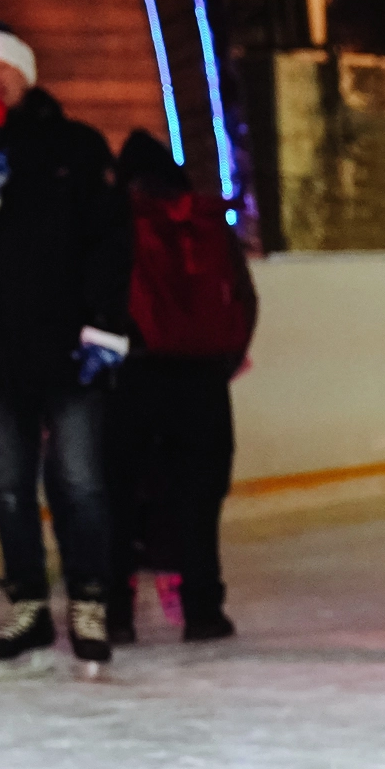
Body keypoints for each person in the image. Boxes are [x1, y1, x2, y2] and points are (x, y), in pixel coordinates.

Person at [0, 21, 133, 680]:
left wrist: (105, 323)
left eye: (1, 69)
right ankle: (27, 604)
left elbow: (110, 239)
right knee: (11, 487)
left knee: (79, 480)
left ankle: (91, 601)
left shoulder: (76, 147)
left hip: (69, 343)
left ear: (26, 73)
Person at [106, 130, 257, 644]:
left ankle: (116, 615)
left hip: (133, 378)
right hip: (203, 383)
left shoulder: (116, 217)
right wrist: (223, 362)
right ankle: (204, 612)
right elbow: (243, 296)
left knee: (119, 499)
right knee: (199, 501)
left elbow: (101, 294)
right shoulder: (209, 223)